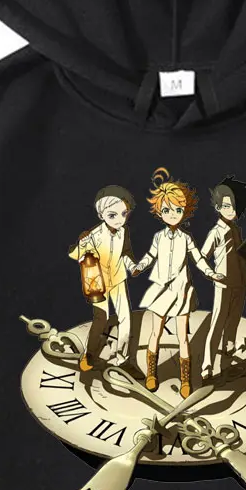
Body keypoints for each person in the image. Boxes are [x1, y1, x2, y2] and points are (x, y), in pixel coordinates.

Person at [129, 168, 224, 396]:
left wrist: (211, 273)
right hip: (161, 290)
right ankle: (152, 374)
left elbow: (198, 259)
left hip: (181, 291)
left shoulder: (186, 238)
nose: (172, 214)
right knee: (155, 333)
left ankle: (185, 381)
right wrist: (139, 267)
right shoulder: (158, 237)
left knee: (183, 337)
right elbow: (150, 256)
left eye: (178, 210)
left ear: (185, 211)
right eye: (167, 210)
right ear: (159, 211)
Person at [67, 184, 136, 370]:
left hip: (119, 279)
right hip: (98, 283)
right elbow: (74, 254)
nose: (119, 220)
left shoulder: (124, 232)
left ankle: (123, 360)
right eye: (112, 215)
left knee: (125, 318)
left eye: (124, 214)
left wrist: (132, 267)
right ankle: (89, 355)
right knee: (101, 318)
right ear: (101, 214)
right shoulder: (94, 235)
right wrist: (82, 244)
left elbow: (126, 253)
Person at [200, 174, 246, 378]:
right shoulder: (216, 232)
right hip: (223, 284)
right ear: (218, 207)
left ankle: (227, 362)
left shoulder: (236, 230)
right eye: (227, 206)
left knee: (233, 322)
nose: (232, 211)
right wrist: (212, 275)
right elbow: (202, 256)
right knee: (218, 324)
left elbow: (241, 256)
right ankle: (207, 366)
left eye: (235, 207)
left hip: (241, 282)